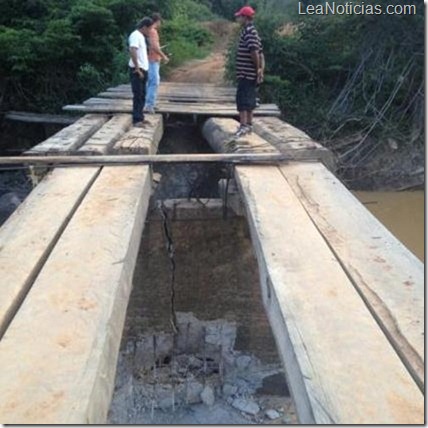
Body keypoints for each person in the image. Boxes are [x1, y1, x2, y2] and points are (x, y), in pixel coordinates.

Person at [233, 5, 264, 138]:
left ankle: (244, 126)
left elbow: (255, 52)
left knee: (242, 100)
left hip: (247, 73)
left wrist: (258, 69)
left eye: (239, 17)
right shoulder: (251, 31)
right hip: (248, 73)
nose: (238, 19)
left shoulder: (249, 32)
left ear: (245, 18)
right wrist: (261, 70)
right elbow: (261, 53)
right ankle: (249, 125)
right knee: (250, 99)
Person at [128, 17, 153, 127]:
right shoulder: (135, 35)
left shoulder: (141, 36)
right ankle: (136, 119)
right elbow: (132, 50)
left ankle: (140, 117)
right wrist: (137, 68)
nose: (150, 31)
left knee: (143, 94)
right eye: (149, 29)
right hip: (137, 69)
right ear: (144, 27)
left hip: (144, 69)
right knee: (138, 95)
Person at [144, 13, 169, 114]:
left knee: (150, 82)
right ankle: (149, 105)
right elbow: (154, 46)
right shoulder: (153, 32)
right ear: (157, 21)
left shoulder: (149, 31)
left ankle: (150, 104)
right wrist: (164, 56)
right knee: (154, 82)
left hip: (151, 59)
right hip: (153, 60)